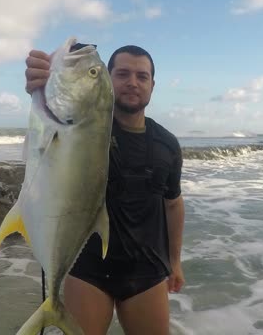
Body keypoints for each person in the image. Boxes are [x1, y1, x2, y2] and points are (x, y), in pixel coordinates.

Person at [24, 43, 186, 335]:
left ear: (152, 85)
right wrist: (43, 82)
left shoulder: (168, 144)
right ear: (108, 80)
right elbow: (56, 118)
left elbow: (173, 203)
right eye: (122, 74)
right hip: (87, 269)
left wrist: (175, 261)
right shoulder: (84, 125)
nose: (132, 82)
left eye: (142, 76)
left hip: (146, 270)